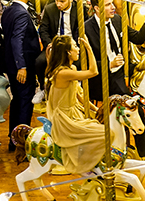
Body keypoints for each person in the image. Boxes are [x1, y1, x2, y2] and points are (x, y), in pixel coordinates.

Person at [40, 34, 108, 183]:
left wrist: (97, 111)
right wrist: (89, 48)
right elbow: (93, 72)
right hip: (64, 119)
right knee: (104, 134)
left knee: (99, 127)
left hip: (74, 111)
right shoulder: (62, 73)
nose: (78, 49)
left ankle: (94, 164)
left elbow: (79, 96)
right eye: (75, 47)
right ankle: (86, 168)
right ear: (68, 52)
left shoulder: (71, 68)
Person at [84, 0, 145, 103]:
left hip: (123, 68)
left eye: (112, 3)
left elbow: (137, 38)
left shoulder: (117, 20)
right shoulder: (86, 29)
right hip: (103, 75)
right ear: (97, 8)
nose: (113, 7)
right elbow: (83, 63)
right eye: (108, 4)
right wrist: (110, 64)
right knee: (129, 103)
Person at [0, 0, 41, 146]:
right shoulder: (22, 14)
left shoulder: (8, 10)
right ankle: (22, 141)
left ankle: (13, 137)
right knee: (25, 101)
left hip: (10, 63)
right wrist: (21, 66)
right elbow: (17, 40)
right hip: (21, 64)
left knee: (17, 100)